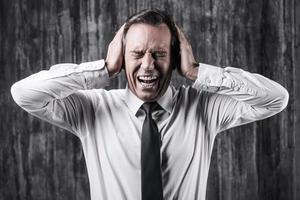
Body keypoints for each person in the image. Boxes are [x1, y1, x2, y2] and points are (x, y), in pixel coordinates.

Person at [11, 9, 289, 200]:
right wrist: (104, 70)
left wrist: (196, 72)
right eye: (137, 53)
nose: (148, 65)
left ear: (175, 58)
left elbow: (275, 98)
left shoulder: (204, 109)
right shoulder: (92, 110)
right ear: (122, 57)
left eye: (159, 53)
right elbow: (24, 93)